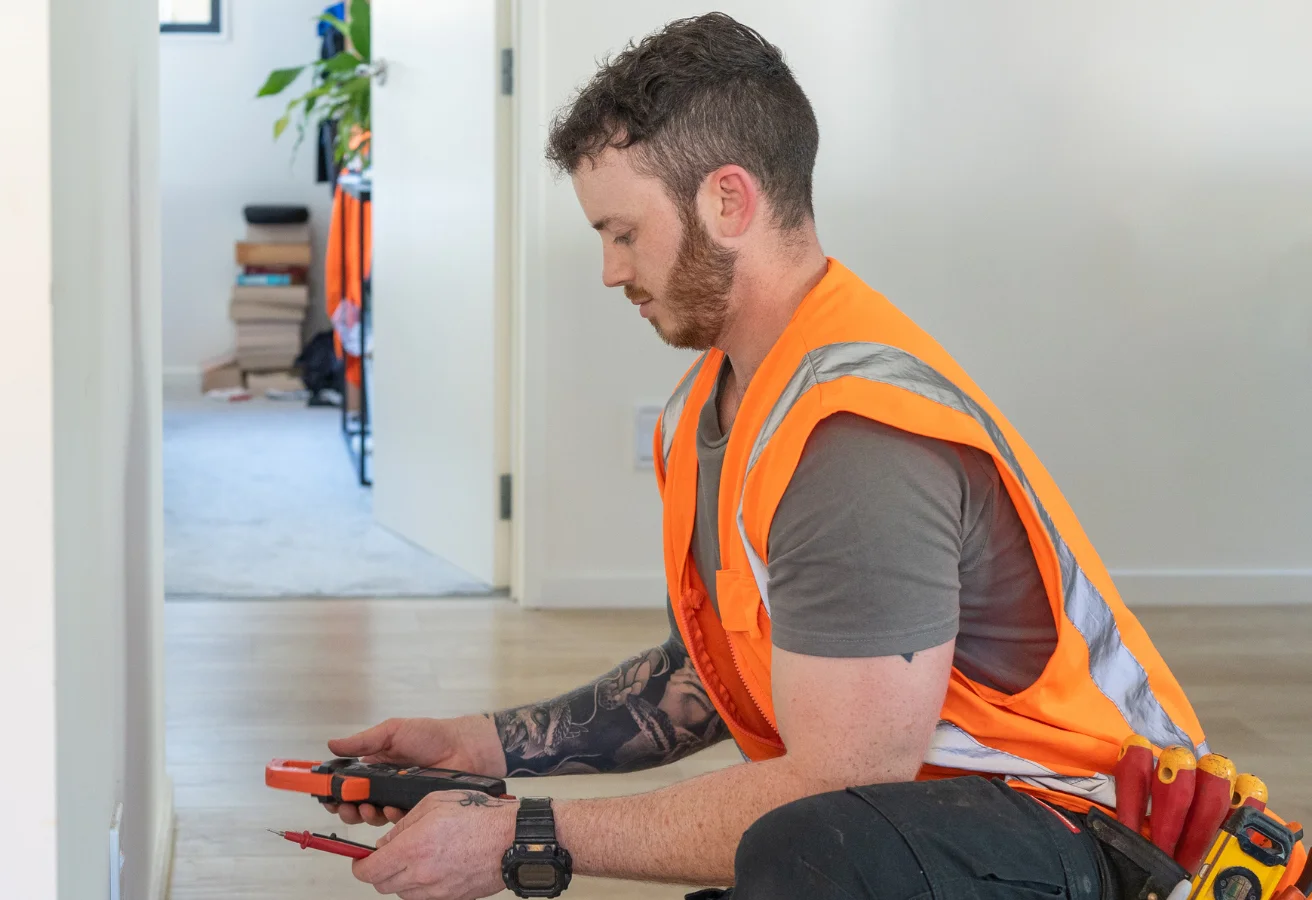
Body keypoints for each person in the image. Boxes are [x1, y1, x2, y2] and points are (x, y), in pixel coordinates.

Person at [325, 13, 1205, 899]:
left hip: (1095, 846)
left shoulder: (855, 440)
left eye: (624, 233)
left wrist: (520, 839)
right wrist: (479, 747)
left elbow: (843, 786)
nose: (608, 269)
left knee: (801, 853)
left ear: (729, 201)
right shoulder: (716, 402)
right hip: (925, 834)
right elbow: (710, 677)